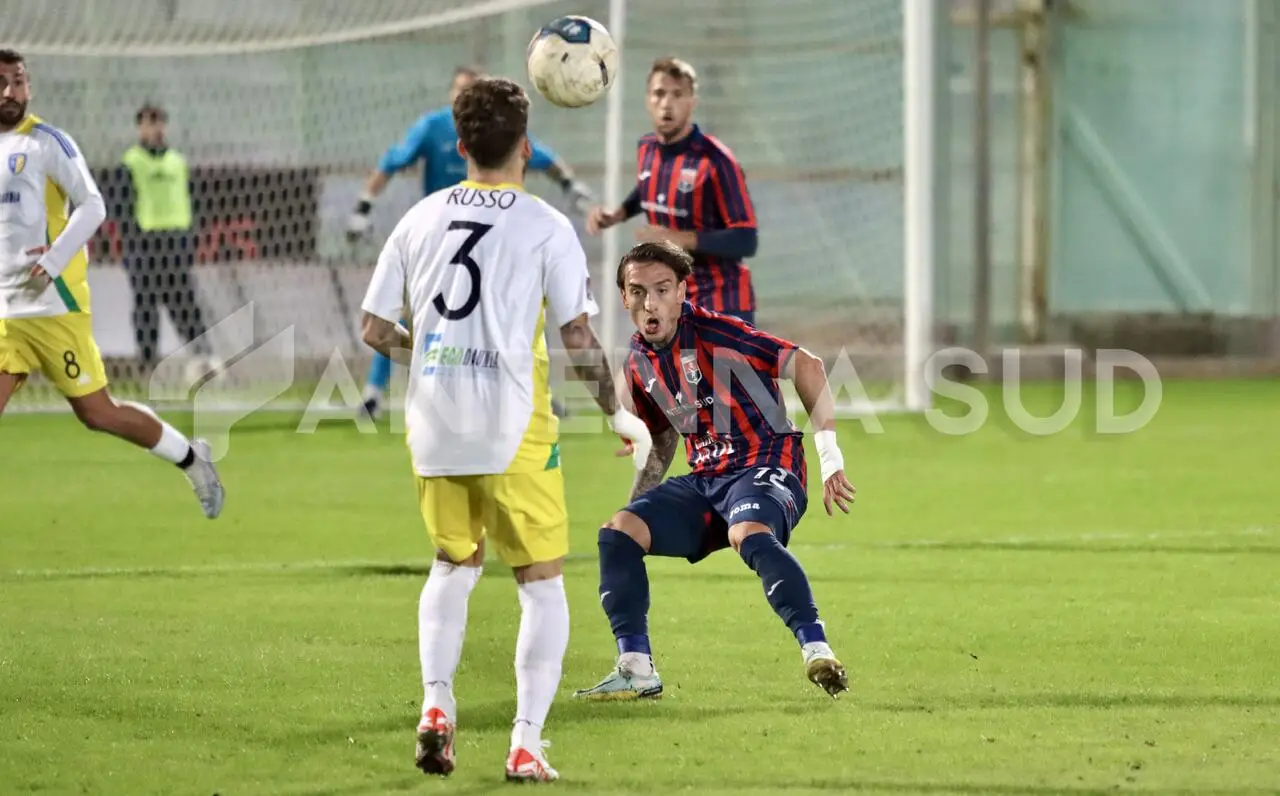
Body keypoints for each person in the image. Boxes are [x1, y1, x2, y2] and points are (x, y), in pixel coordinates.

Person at [359, 76, 651, 782]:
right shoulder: (546, 226)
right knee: (541, 582)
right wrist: (619, 411)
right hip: (513, 427)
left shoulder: (419, 218)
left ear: (458, 147)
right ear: (525, 146)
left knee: (452, 566)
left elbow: (372, 329)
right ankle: (524, 741)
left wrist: (426, 352)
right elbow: (577, 337)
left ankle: (435, 706)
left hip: (433, 423)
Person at [572, 241, 857, 702]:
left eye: (662, 289)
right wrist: (640, 502)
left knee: (748, 531)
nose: (651, 303)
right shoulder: (639, 360)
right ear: (623, 298)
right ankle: (635, 667)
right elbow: (662, 440)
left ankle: (817, 649)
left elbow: (807, 364)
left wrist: (830, 458)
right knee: (618, 533)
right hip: (707, 479)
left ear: (682, 291)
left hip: (766, 462)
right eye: (638, 291)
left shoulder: (717, 333)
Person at [0, 49, 224, 519]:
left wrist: (56, 260)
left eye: (18, 81)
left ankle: (190, 456)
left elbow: (93, 206)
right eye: (2, 82)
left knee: (97, 413)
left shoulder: (47, 143)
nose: (10, 92)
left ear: (29, 86)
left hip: (52, 307)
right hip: (5, 312)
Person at [349, 65, 593, 422]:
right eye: (462, 90)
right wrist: (362, 206)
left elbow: (543, 155)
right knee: (405, 313)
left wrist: (571, 184)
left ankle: (535, 392)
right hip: (437, 239)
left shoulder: (496, 133)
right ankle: (374, 393)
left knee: (516, 312)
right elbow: (390, 161)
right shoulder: (432, 127)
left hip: (492, 238)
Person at [586, 57, 759, 324]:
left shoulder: (716, 161)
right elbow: (648, 186)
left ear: (692, 101)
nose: (667, 103)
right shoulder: (646, 148)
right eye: (659, 93)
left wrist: (680, 239)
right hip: (674, 302)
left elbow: (746, 239)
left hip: (723, 304)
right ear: (647, 100)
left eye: (677, 94)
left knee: (710, 368)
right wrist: (618, 214)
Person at [117, 103, 217, 374]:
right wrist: (132, 238)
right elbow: (121, 205)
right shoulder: (131, 162)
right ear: (140, 127)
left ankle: (203, 357)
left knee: (184, 301)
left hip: (175, 240)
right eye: (150, 123)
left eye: (159, 122)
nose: (155, 128)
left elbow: (191, 200)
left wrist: (190, 236)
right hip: (145, 241)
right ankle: (148, 363)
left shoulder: (178, 161)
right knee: (145, 303)